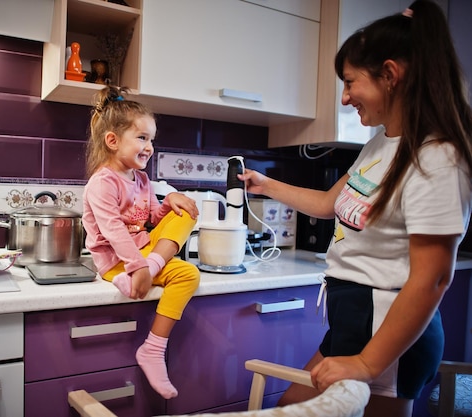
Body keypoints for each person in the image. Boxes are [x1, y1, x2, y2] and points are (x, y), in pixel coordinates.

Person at [239, 1, 472, 416]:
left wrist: (367, 363)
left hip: (388, 332)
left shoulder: (437, 157)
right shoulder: (380, 144)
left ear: (390, 75)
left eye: (350, 83)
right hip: (352, 321)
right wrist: (267, 184)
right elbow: (330, 204)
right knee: (293, 407)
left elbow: (434, 278)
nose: (345, 98)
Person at [82, 85, 200, 399]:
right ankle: (154, 349)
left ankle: (154, 267)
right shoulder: (102, 183)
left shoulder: (142, 179)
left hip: (143, 254)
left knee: (187, 212)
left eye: (152, 140)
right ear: (112, 140)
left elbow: (149, 220)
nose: (149, 147)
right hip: (116, 261)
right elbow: (114, 232)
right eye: (142, 138)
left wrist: (170, 201)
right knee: (189, 274)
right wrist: (137, 266)